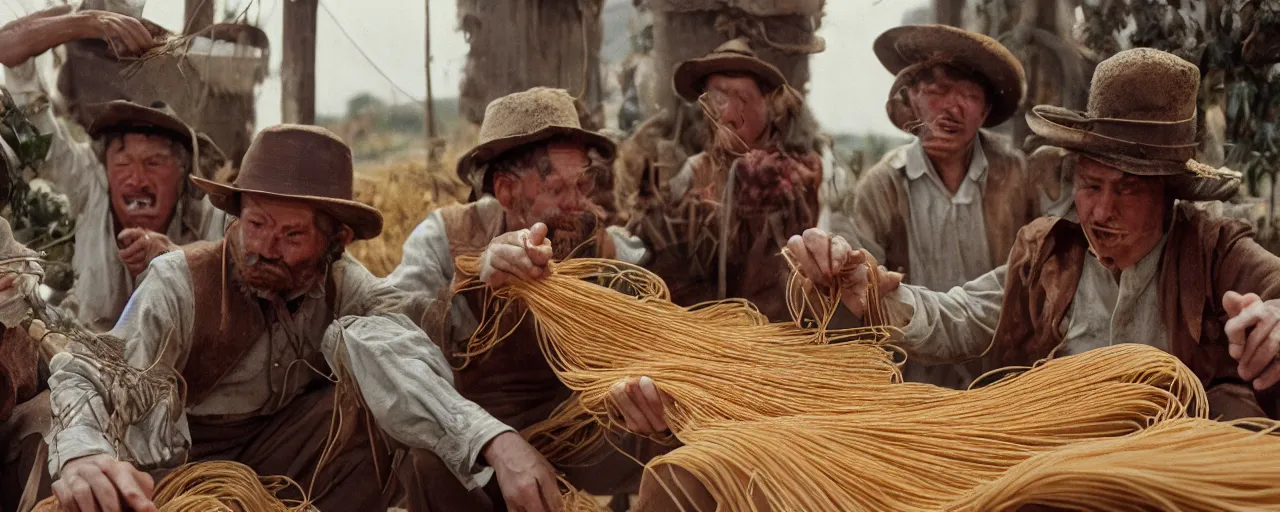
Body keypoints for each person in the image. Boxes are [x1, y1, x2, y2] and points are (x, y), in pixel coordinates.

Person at [43, 125, 563, 512]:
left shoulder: (347, 287)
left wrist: (493, 440)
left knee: (382, 392)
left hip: (290, 461)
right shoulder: (179, 282)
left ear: (335, 242)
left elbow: (411, 346)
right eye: (255, 223)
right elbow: (87, 373)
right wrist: (82, 456)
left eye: (291, 236)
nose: (264, 248)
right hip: (180, 473)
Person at [787, 48, 1278, 420]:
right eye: (1091, 185)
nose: (1102, 210)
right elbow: (961, 312)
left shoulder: (1214, 252)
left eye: (1128, 190)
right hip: (1062, 469)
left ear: (1168, 194)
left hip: (1177, 475)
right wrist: (870, 293)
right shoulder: (1050, 254)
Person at [389, 87, 661, 509]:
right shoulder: (444, 238)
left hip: (575, 431)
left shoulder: (606, 251)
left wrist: (644, 387)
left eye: (582, 184)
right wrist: (477, 281)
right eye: (556, 190)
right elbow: (394, 338)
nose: (576, 204)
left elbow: (653, 333)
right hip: (475, 438)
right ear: (506, 191)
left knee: (672, 439)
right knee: (425, 461)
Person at [821, 24, 1038, 389]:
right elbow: (855, 289)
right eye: (936, 91)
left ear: (984, 111)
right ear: (912, 100)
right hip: (914, 388)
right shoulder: (883, 185)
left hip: (1006, 383)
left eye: (968, 95)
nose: (951, 107)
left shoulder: (1016, 175)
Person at [1, 6, 229, 332]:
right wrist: (86, 22)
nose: (136, 179)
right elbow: (9, 53)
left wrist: (176, 255)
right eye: (122, 162)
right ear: (105, 166)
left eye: (154, 162)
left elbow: (242, 260)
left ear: (183, 173)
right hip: (82, 357)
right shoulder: (87, 183)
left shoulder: (210, 214)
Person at [630, 38, 830, 321]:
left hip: (774, 340)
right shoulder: (694, 171)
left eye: (743, 100)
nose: (727, 115)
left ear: (768, 107)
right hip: (705, 337)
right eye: (716, 100)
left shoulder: (800, 175)